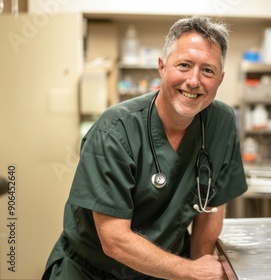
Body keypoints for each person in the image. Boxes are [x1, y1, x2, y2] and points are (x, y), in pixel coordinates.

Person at [43, 16, 248, 280]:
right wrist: (190, 271)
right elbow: (114, 240)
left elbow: (212, 207)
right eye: (184, 65)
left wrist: (199, 269)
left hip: (163, 272)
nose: (194, 80)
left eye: (207, 70)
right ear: (162, 67)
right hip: (90, 271)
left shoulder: (221, 122)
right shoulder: (115, 129)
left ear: (219, 80)